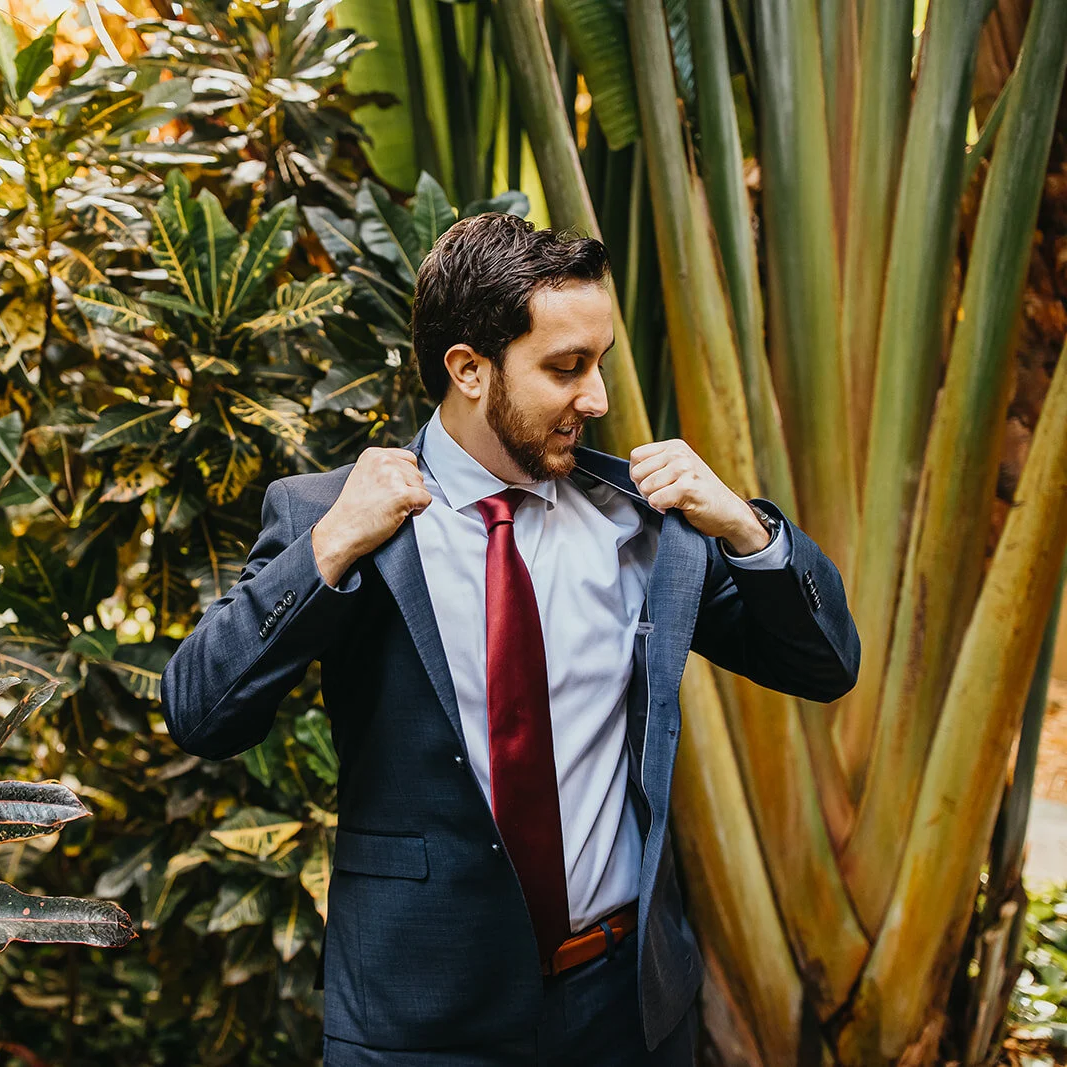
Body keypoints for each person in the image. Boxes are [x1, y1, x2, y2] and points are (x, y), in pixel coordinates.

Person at [159, 212, 859, 1066]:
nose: (596, 398)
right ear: (469, 369)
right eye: (566, 367)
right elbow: (201, 713)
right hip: (422, 1023)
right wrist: (330, 549)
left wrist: (748, 530)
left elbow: (826, 664)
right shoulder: (332, 519)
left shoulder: (643, 523)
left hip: (630, 1013)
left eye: (599, 361)